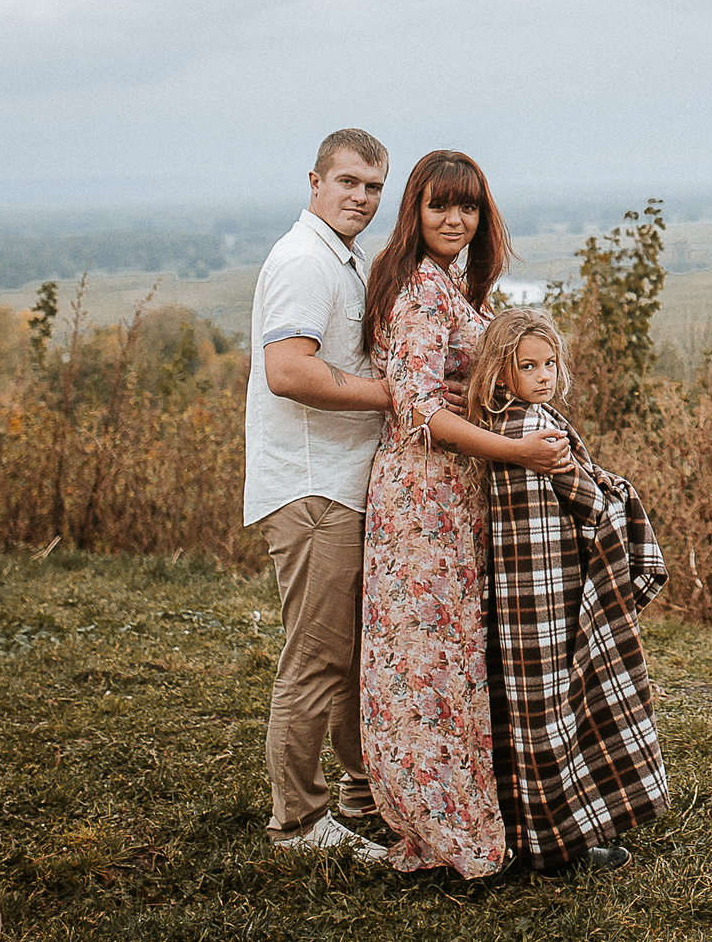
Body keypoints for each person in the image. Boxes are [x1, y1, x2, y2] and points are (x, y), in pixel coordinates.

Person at [246, 132, 565, 863]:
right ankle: (298, 822)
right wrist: (403, 395)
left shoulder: (359, 262)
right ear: (315, 181)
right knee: (320, 657)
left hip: (359, 479)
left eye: (372, 186)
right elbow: (288, 372)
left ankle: (368, 794)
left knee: (375, 655)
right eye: (347, 182)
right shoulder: (304, 261)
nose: (360, 197)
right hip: (313, 483)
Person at [356, 149, 571, 876]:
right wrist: (517, 452)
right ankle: (450, 832)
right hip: (421, 500)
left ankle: (472, 818)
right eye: (440, 205)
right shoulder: (422, 289)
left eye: (468, 206)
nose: (455, 219)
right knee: (426, 665)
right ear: (414, 210)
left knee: (451, 657)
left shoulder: (450, 284)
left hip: (452, 495)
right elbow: (417, 410)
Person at [471, 305, 669, 875]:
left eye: (550, 363)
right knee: (561, 707)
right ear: (500, 371)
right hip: (551, 591)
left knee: (522, 709)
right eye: (527, 366)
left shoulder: (494, 426)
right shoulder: (535, 430)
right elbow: (589, 501)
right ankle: (562, 843)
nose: (543, 376)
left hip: (516, 593)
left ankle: (530, 831)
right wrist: (619, 497)